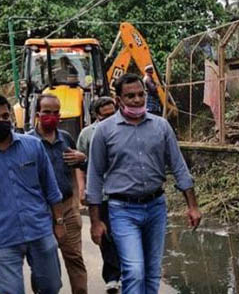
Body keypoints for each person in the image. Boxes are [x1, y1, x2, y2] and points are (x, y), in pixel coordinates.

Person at [86, 74, 202, 294]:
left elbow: (179, 166)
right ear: (118, 99)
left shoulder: (161, 126)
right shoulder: (104, 131)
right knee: (134, 270)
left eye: (141, 94)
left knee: (152, 271)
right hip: (122, 210)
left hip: (155, 207)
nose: (137, 100)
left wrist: (193, 206)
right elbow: (94, 177)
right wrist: (96, 221)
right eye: (130, 96)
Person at [0, 93, 64, 294]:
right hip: (1, 239)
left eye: (5, 116)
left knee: (51, 287)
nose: (1, 121)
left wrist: (59, 222)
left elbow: (51, 189)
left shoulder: (33, 146)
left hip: (40, 231)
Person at [27, 94, 88, 294]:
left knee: (75, 259)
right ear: (37, 114)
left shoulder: (66, 139)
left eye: (55, 112)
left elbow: (78, 165)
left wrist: (82, 159)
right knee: (43, 266)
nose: (51, 117)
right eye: (46, 112)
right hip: (40, 213)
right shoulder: (26, 143)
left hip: (67, 209)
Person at [75, 97, 120, 293]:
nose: (111, 118)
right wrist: (82, 188)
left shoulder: (125, 127)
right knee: (106, 235)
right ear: (96, 115)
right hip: (101, 194)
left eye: (113, 113)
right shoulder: (87, 135)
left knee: (123, 234)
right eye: (106, 115)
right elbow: (79, 166)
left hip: (123, 192)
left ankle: (128, 271)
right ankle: (111, 277)